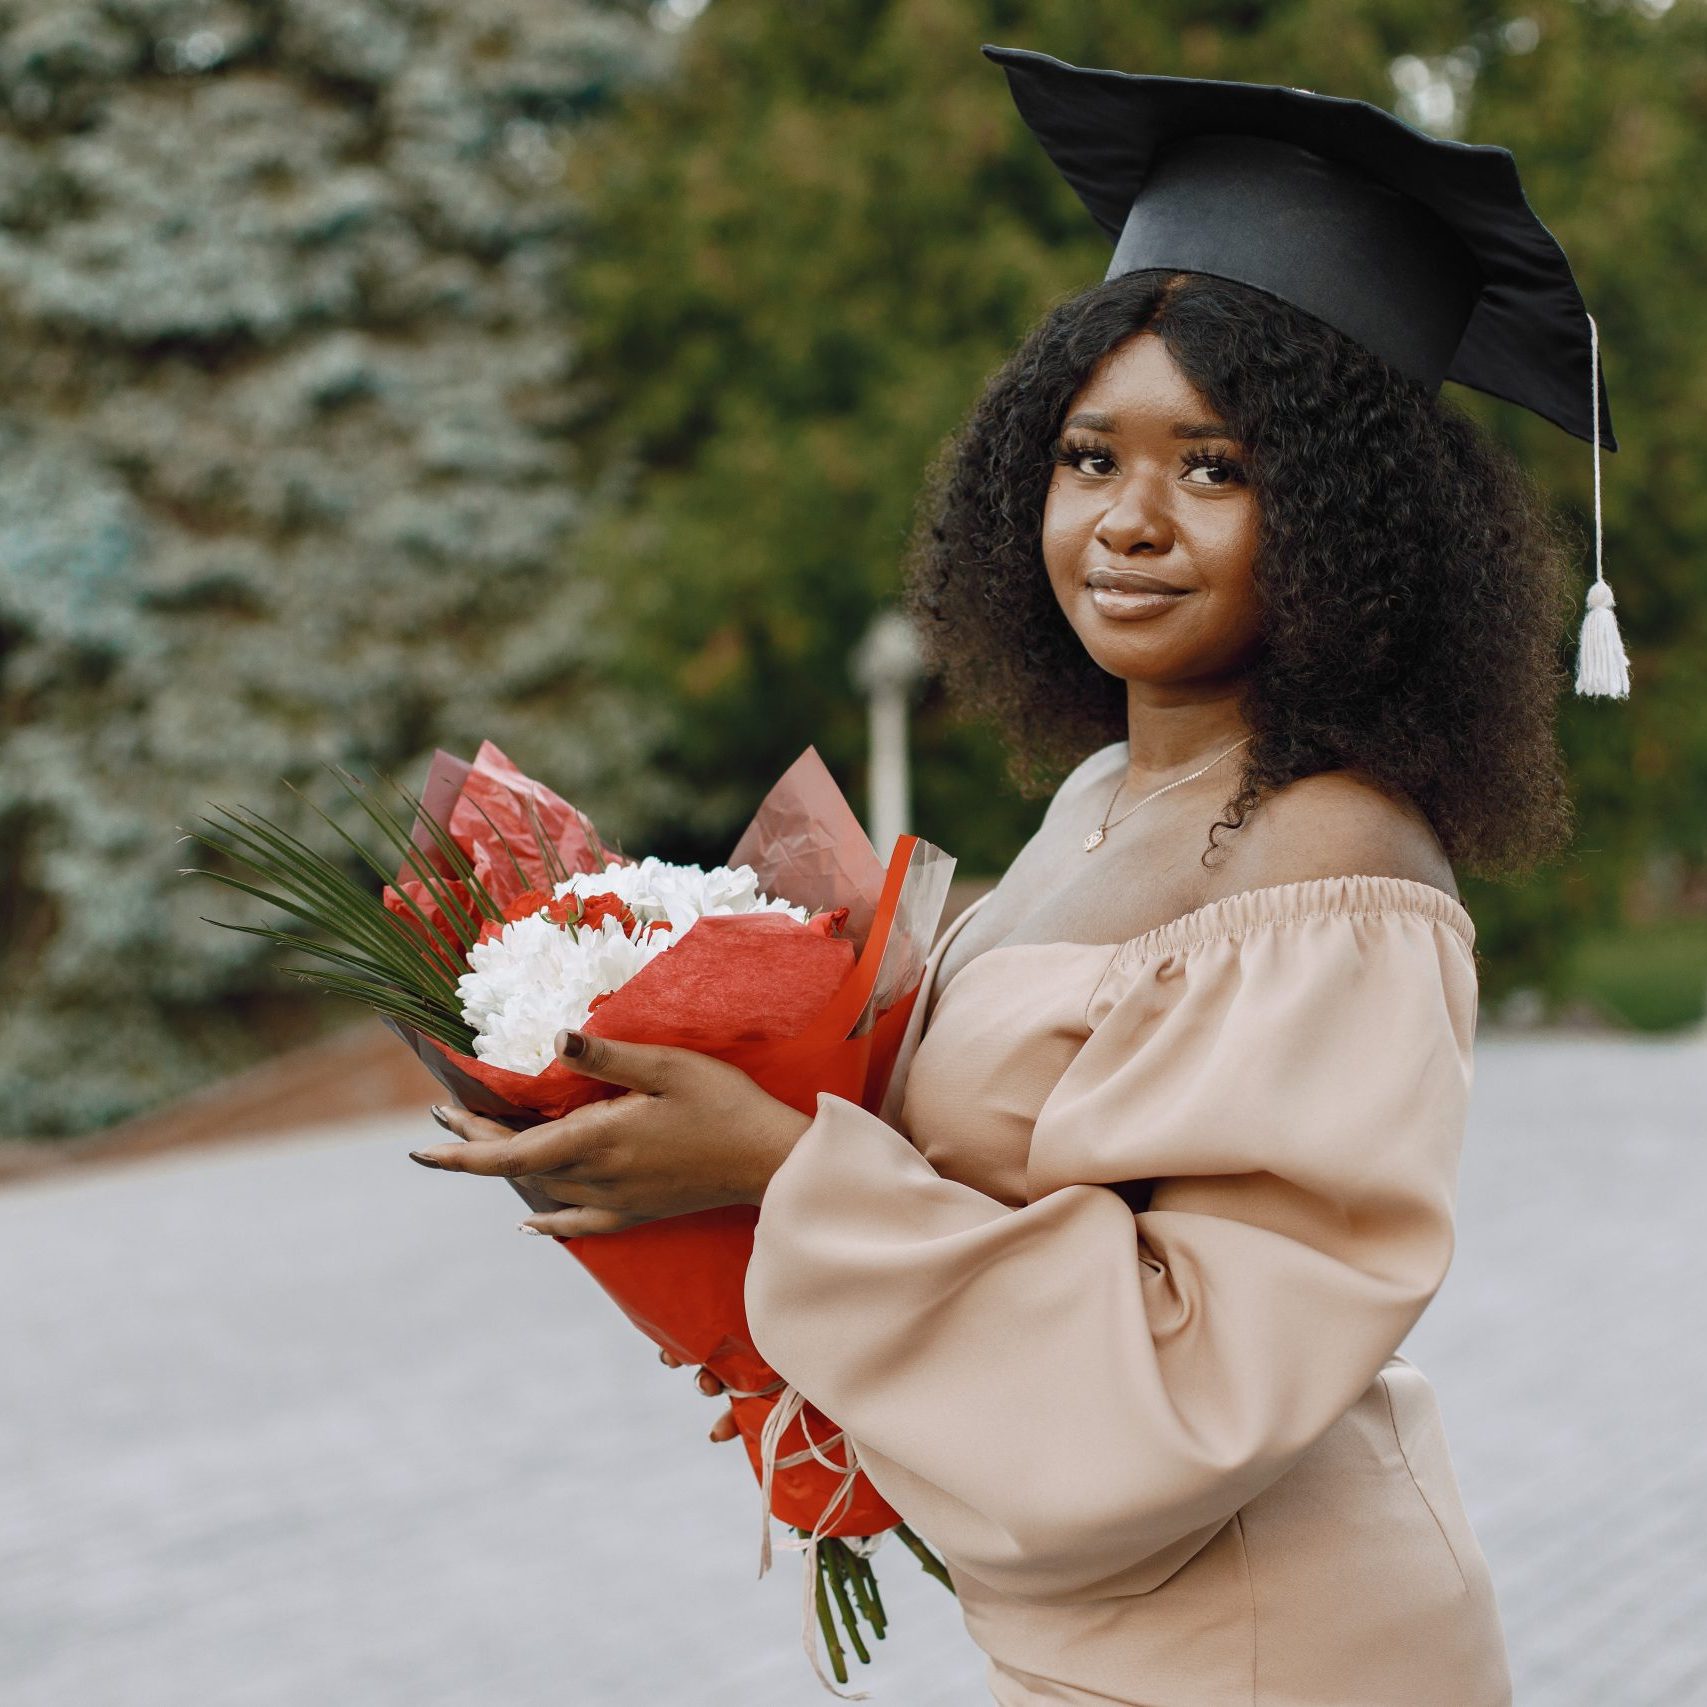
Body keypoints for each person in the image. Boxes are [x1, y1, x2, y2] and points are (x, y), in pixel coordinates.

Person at [410, 45, 1628, 1706]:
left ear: (1353, 524)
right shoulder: (1113, 795)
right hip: (1100, 1639)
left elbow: (1191, 1384)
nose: (1130, 520)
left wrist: (777, 1168)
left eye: (1217, 466)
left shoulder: (1340, 873)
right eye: (1088, 456)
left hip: (1275, 1650)